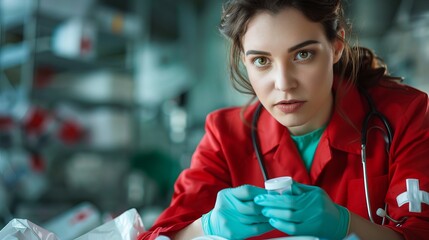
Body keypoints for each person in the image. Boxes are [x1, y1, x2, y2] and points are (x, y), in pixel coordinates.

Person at [138, 0, 429, 239]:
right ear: (244, 60)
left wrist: (346, 225)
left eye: (303, 55)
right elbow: (156, 235)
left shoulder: (403, 115)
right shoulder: (225, 136)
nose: (284, 83)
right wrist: (205, 227)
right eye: (262, 61)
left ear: (337, 45)